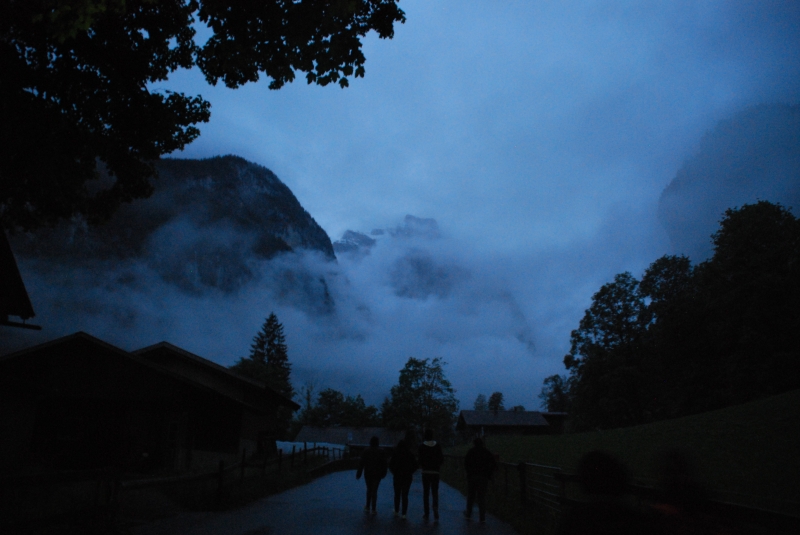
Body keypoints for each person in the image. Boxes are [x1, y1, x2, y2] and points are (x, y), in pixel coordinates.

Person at [463, 436, 497, 523]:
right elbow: (493, 463)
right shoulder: (486, 452)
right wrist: (489, 474)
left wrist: (469, 473)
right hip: (483, 477)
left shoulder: (471, 452)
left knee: (471, 496)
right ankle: (482, 516)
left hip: (472, 477)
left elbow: (466, 463)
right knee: (481, 497)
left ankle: (469, 513)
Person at [356, 436, 388, 514]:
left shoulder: (366, 451)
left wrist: (359, 473)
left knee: (369, 489)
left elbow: (361, 463)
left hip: (368, 473)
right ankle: (374, 508)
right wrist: (384, 473)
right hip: (377, 473)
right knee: (375, 490)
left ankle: (367, 506)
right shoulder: (381, 451)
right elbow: (384, 464)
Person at [418, 428, 444, 521]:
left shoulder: (421, 447)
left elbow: (419, 460)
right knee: (434, 492)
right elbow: (441, 459)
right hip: (435, 472)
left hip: (426, 472)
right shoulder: (437, 446)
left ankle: (426, 512)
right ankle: (435, 507)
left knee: (426, 493)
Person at [389, 438, 418, 519]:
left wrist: (395, 472)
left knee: (397, 494)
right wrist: (410, 472)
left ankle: (397, 510)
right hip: (407, 476)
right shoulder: (410, 454)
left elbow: (391, 465)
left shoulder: (396, 454)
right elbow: (415, 466)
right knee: (405, 495)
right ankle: (404, 513)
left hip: (397, 476)